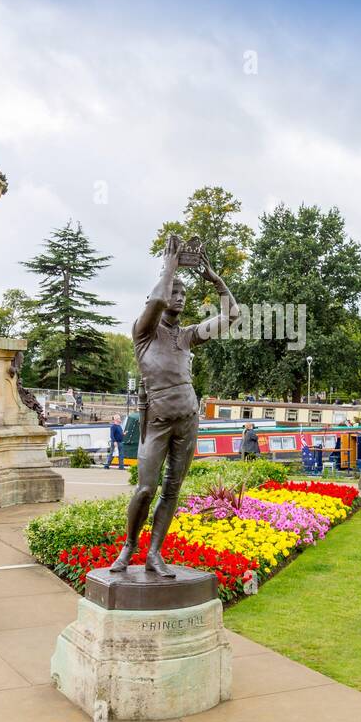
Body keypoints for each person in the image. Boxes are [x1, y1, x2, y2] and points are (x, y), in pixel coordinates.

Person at [109, 236, 240, 576]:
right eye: (174, 292)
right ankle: (129, 546)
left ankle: (155, 553)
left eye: (183, 294)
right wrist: (170, 267)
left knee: (172, 489)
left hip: (188, 421)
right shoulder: (144, 334)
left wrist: (216, 280)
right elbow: (155, 301)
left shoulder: (187, 335)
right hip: (158, 421)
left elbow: (232, 316)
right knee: (146, 489)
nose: (178, 298)